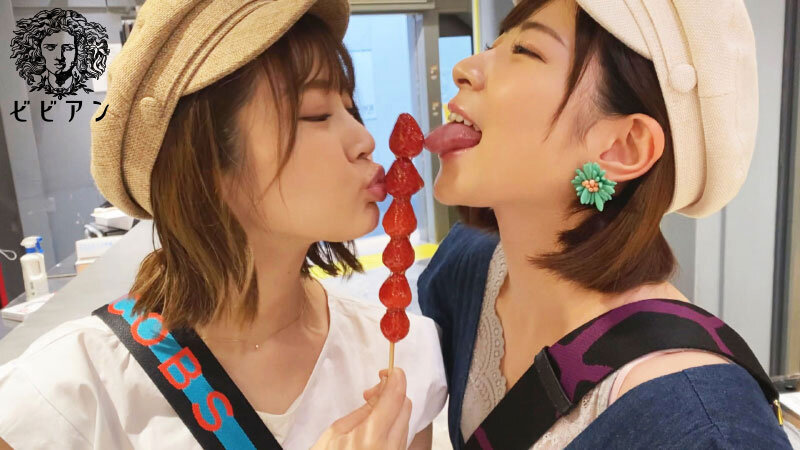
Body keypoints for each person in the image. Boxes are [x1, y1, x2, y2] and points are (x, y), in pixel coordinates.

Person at [0, 0, 446, 448]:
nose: (365, 140)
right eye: (317, 114)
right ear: (207, 163)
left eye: (352, 110)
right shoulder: (66, 398)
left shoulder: (398, 356)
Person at [419, 0, 792, 448]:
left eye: (526, 51)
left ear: (623, 147)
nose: (463, 68)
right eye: (492, 45)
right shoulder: (465, 269)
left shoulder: (707, 429)